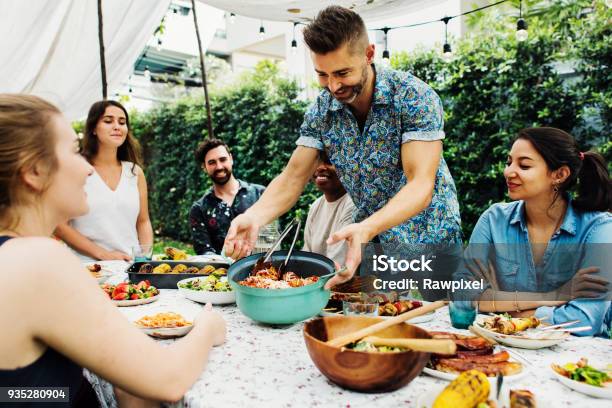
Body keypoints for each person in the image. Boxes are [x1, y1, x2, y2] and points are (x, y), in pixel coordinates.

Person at [0, 94, 226, 406]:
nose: (87, 169)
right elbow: (167, 379)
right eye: (72, 152)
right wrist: (208, 327)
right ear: (34, 171)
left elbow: (19, 394)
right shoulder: (37, 261)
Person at [223, 5, 462, 289]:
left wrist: (368, 227)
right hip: (372, 244)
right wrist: (254, 217)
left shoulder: (413, 97)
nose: (334, 86)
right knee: (373, 325)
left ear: (369, 54)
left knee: (434, 329)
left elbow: (421, 185)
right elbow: (293, 177)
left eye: (342, 72)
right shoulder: (321, 111)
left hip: (429, 241)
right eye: (323, 75)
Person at [460, 127, 611, 337]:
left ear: (559, 174)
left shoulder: (600, 230)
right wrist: (554, 296)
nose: (508, 172)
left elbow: (583, 322)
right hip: (503, 347)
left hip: (576, 360)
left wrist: (499, 307)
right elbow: (463, 296)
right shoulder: (494, 219)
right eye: (508, 162)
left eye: (524, 165)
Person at [54, 100, 153, 261]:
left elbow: (143, 221)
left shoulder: (135, 172)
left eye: (122, 122)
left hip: (130, 267)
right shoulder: (76, 169)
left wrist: (145, 257)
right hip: (88, 268)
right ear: (93, 128)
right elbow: (60, 225)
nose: (117, 126)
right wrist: (103, 254)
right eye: (108, 121)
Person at [189, 138, 265, 255]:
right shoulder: (199, 209)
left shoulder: (260, 194)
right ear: (204, 167)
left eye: (223, 159)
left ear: (231, 159)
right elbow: (205, 253)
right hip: (223, 272)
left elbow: (273, 237)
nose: (219, 166)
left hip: (264, 269)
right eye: (212, 162)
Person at [303, 151, 355, 265]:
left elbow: (338, 264)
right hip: (317, 279)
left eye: (330, 162)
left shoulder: (353, 204)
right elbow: (307, 255)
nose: (320, 167)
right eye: (317, 162)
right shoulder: (316, 206)